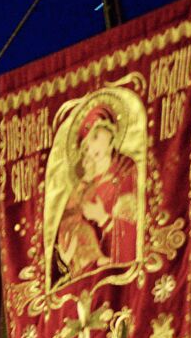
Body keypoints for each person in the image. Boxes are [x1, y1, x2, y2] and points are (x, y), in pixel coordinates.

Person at [51, 101, 138, 285]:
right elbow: (68, 215)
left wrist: (103, 219)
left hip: (118, 280)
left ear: (111, 136)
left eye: (96, 136)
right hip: (84, 271)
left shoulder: (126, 171)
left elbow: (133, 233)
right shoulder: (84, 184)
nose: (92, 146)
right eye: (86, 144)